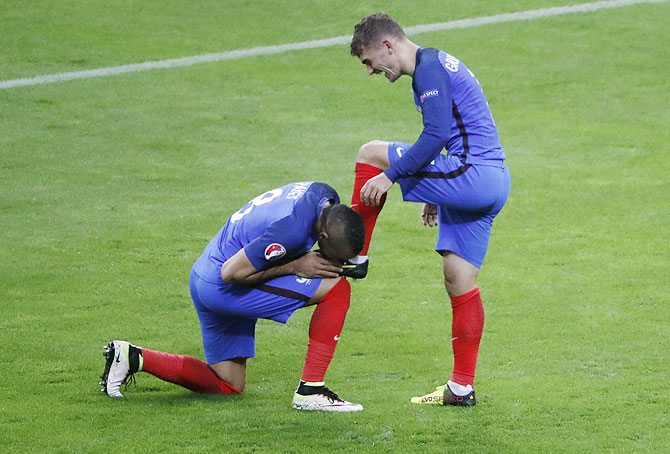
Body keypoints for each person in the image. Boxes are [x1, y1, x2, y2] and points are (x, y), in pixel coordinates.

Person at [345, 13, 511, 406]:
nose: (370, 71)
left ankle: (354, 254)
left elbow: (436, 136)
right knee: (458, 276)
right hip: (492, 180)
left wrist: (391, 177)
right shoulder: (436, 64)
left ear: (387, 45)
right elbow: (454, 134)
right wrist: (437, 195)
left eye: (369, 61)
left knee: (371, 153)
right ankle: (461, 388)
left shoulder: (428, 70)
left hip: (472, 174)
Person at [100, 181, 366, 412]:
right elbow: (232, 273)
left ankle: (132, 356)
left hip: (203, 272)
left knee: (227, 384)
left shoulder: (323, 196)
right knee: (337, 288)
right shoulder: (292, 231)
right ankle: (310, 390)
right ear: (323, 235)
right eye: (337, 255)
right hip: (223, 284)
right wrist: (295, 266)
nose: (336, 262)